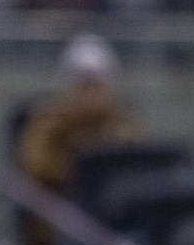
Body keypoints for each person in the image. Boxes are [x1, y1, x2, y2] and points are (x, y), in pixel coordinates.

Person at [17, 34, 140, 193]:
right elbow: (37, 164)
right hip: (61, 206)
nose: (91, 94)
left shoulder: (121, 121)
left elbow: (136, 164)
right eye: (85, 86)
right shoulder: (48, 120)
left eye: (97, 86)